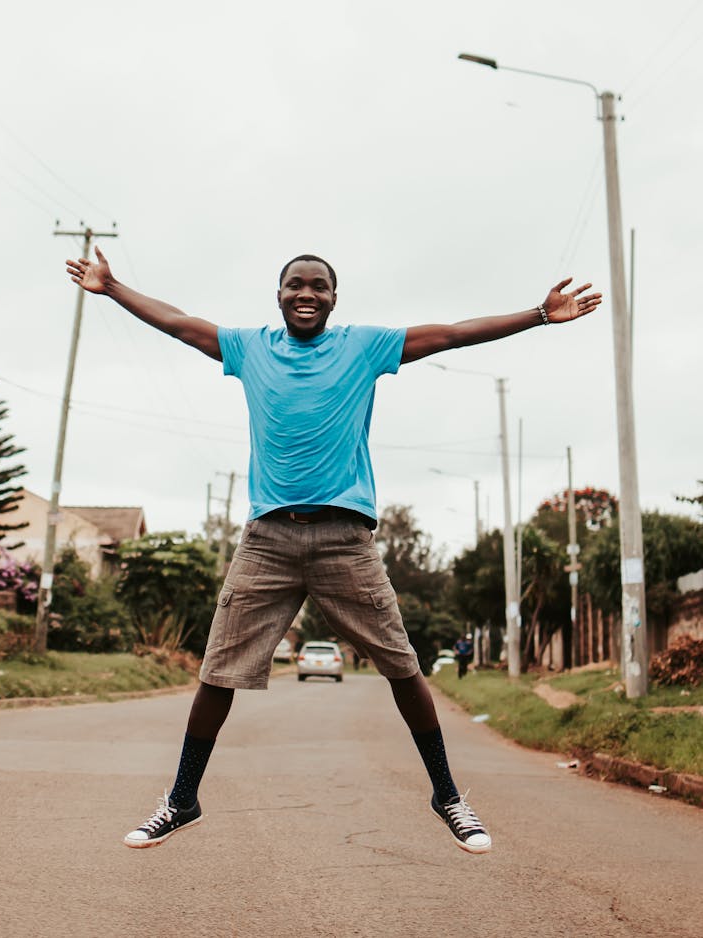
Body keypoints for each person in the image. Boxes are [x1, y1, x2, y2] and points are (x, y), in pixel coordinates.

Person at [65, 249, 601, 856]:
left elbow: (450, 335)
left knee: (402, 665)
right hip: (267, 540)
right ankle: (182, 799)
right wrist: (112, 289)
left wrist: (537, 314)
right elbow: (179, 323)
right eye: (295, 284)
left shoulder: (363, 347)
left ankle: (448, 795)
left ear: (334, 298)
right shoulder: (249, 348)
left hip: (345, 539)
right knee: (219, 671)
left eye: (319, 286)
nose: (307, 294)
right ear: (278, 293)